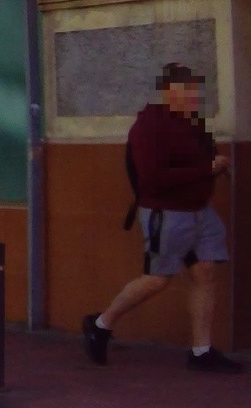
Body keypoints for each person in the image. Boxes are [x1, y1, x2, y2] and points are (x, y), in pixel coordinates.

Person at [82, 63, 242, 374]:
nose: (193, 96)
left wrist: (215, 164)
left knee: (205, 272)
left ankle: (201, 351)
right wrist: (205, 169)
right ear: (169, 91)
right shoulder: (148, 127)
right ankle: (101, 324)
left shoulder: (194, 123)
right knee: (157, 279)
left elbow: (201, 158)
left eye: (195, 89)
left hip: (200, 212)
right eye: (187, 90)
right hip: (166, 213)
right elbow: (152, 179)